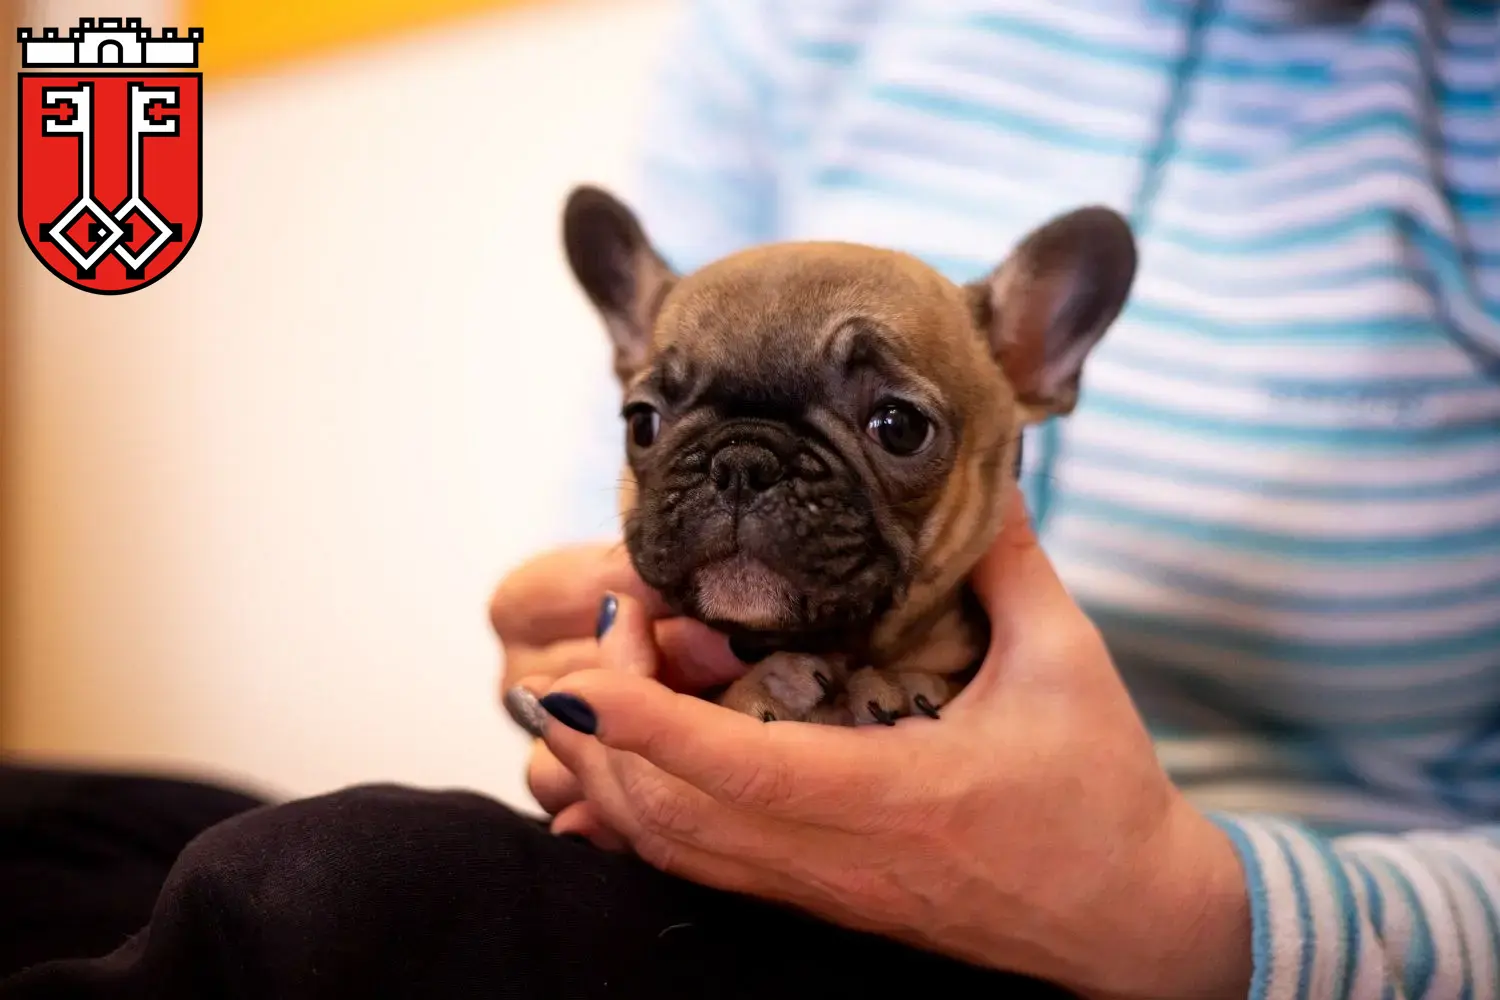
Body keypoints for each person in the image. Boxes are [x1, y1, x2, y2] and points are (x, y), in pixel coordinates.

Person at [5, 0, 1499, 997]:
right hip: (734, 879)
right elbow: (603, 565)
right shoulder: (807, 21)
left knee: (327, 891)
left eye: (893, 425)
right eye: (667, 419)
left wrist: (1187, 910)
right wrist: (591, 654)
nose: (738, 482)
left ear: (1042, 359)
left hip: (1250, 928)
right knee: (59, 837)